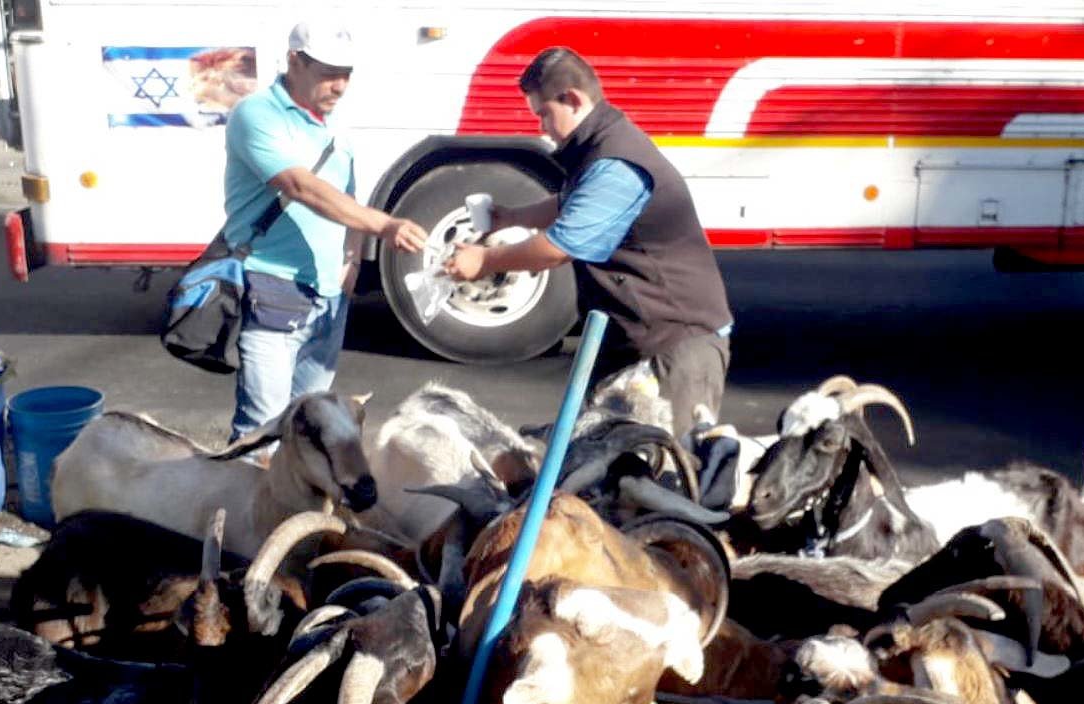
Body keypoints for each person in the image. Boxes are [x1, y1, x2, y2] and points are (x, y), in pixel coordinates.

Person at [443, 47, 733, 439]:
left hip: (676, 347)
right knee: (596, 456)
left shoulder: (617, 162)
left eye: (544, 114)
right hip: (639, 340)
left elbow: (558, 248)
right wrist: (510, 217)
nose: (543, 127)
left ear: (573, 99)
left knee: (662, 466)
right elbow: (572, 204)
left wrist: (485, 261)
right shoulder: (599, 147)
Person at [223, 17, 427, 441]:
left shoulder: (333, 126)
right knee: (263, 431)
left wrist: (352, 260)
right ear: (294, 61)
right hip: (274, 287)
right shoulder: (256, 113)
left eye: (346, 74)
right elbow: (300, 186)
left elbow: (347, 196)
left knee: (310, 430)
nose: (340, 86)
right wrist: (386, 225)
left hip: (329, 295)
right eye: (329, 74)